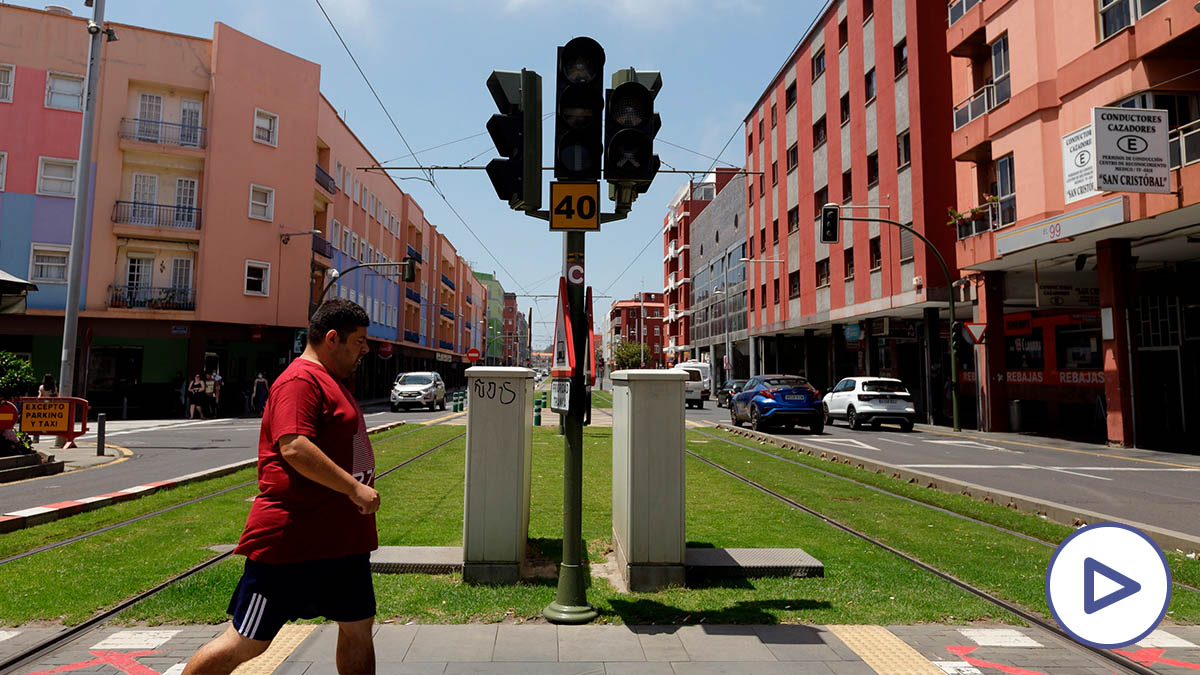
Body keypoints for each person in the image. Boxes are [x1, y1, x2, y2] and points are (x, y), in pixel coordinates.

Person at [183, 299, 378, 675]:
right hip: (293, 541)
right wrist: (354, 489)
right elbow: (293, 445)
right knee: (247, 641)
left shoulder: (331, 380)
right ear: (332, 338)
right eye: (359, 341)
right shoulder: (300, 380)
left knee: (357, 628)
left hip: (340, 540)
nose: (365, 349)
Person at [34, 374, 57, 443]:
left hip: (43, 406)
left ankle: (36, 439)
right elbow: (56, 395)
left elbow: (40, 396)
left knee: (39, 420)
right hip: (51, 406)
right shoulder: (53, 387)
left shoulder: (41, 387)